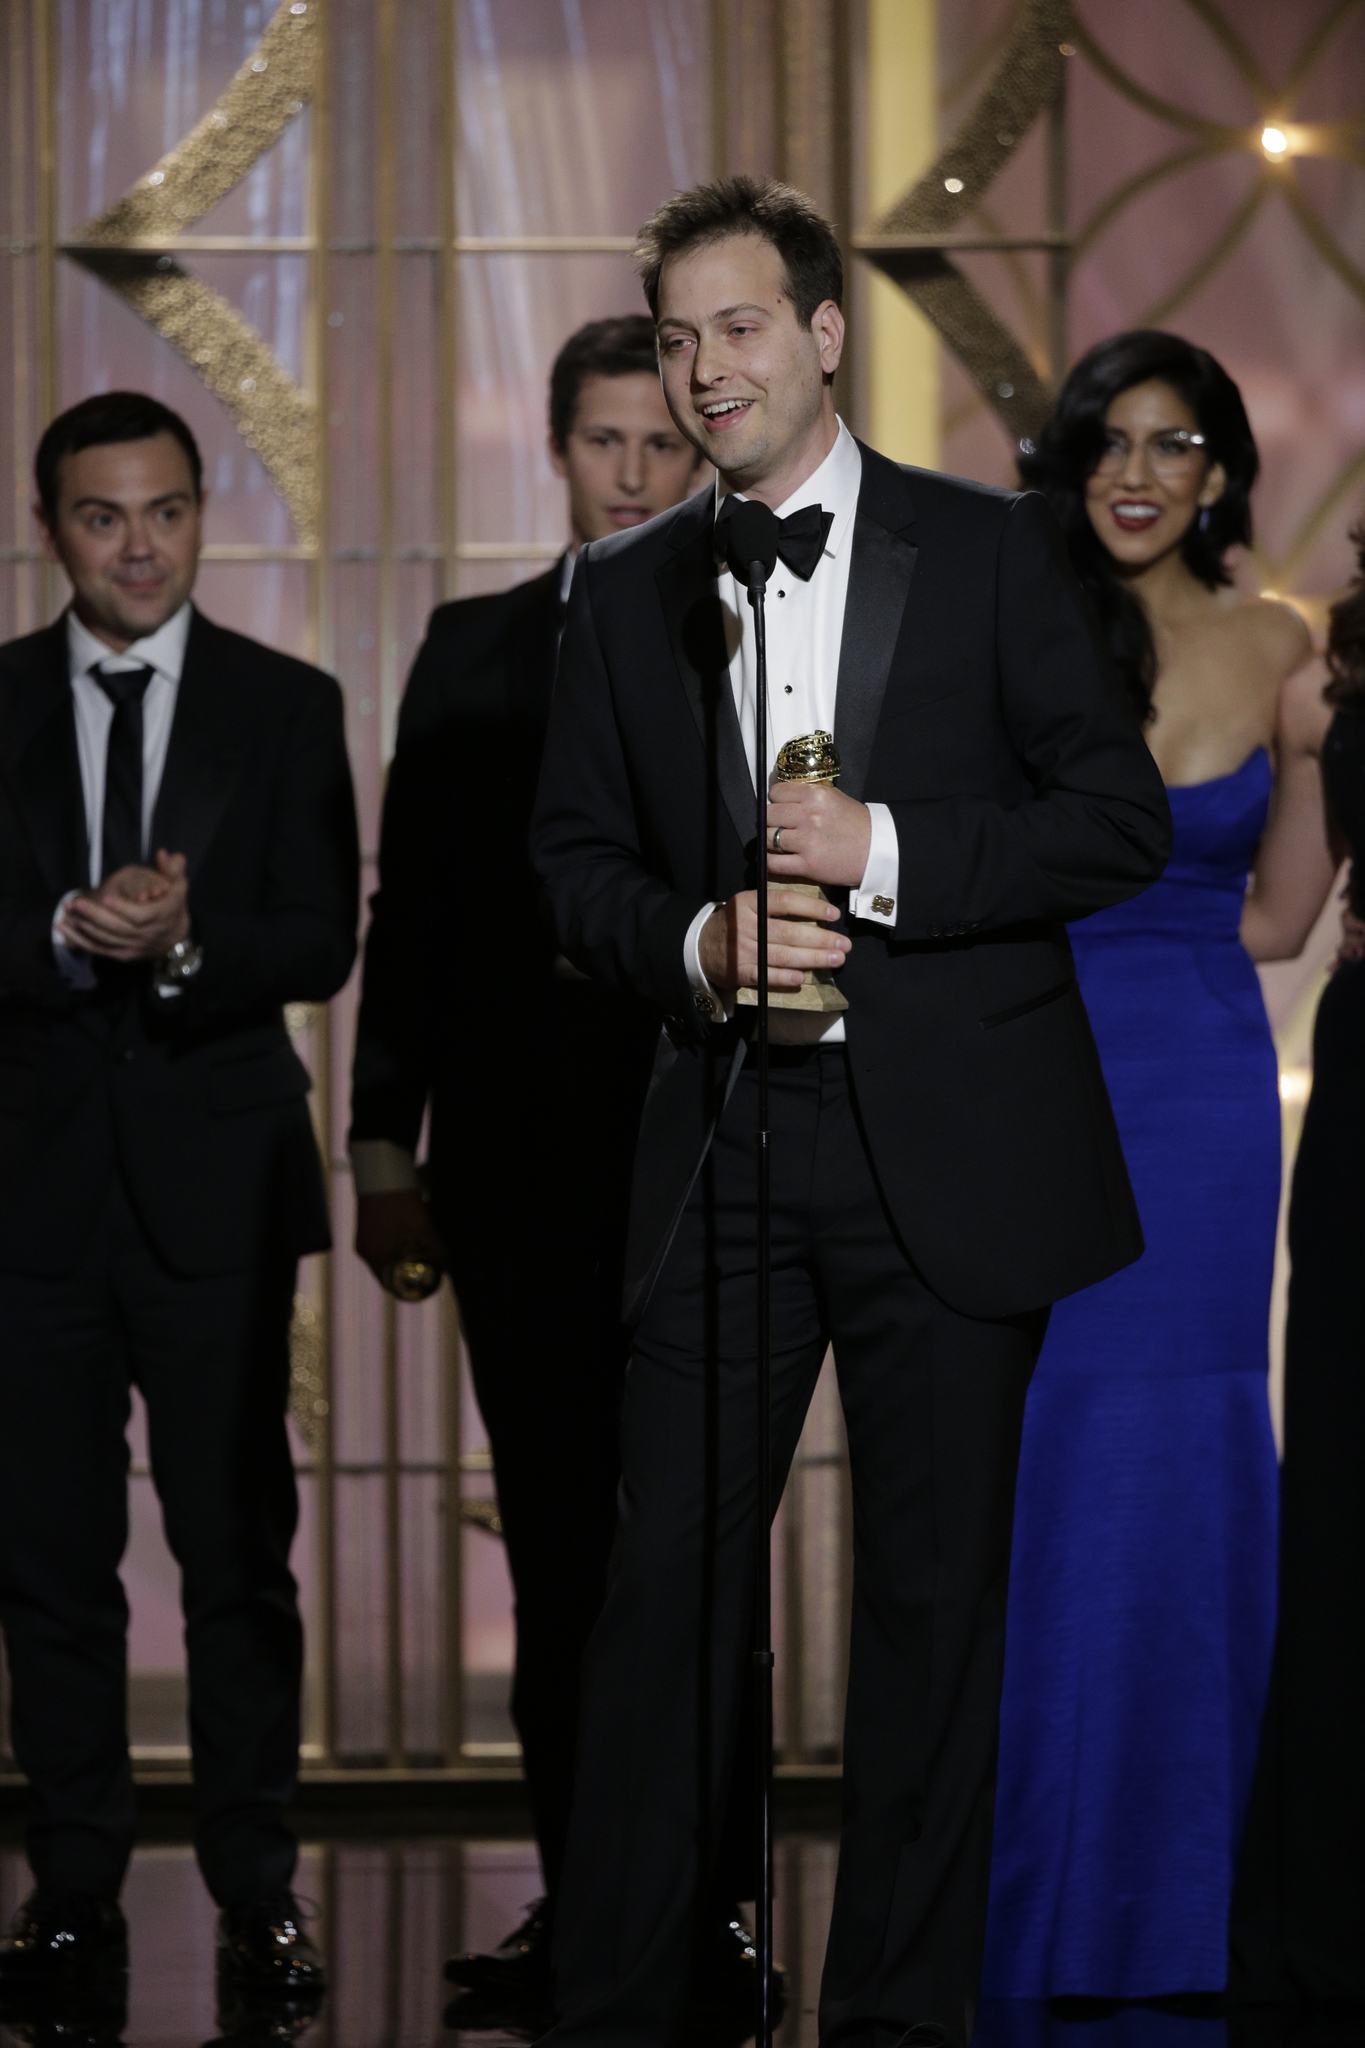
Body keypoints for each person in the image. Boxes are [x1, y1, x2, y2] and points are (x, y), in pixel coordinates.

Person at [529, 176, 1171, 2048]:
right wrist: (690, 936)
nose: (704, 368)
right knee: (660, 1608)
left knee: (930, 1618)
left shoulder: (994, 551)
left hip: (949, 1156)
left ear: (823, 334)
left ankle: (897, 2020)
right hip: (723, 1146)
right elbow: (567, 863)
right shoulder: (629, 592)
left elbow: (1114, 822)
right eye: (673, 335)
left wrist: (886, 852)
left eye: (737, 327)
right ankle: (624, 2003)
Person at [349, 316, 771, 2034]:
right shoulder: (470, 648)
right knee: (554, 1554)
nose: (637, 475)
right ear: (559, 450)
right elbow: (417, 917)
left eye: (665, 445)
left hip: (713, 1160)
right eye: (607, 443)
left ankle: (717, 1911)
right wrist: (383, 1144)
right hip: (517, 1175)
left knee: (701, 1556)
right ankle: (584, 1908)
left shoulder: (756, 641)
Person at [981, 332, 1337, 2005]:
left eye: (1173, 444)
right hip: (1034, 1064)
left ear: (1218, 474)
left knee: (1192, 1452)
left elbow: (1272, 920)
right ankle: (1043, 1905)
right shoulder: (1011, 614)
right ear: (1069, 458)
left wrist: (1322, 749)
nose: (1136, 472)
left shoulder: (1283, 644)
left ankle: (1202, 1914)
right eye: (1109, 440)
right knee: (1050, 1461)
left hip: (1197, 1092)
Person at [0, 393, 358, 2024]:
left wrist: (190, 949)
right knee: (50, 1560)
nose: (137, 545)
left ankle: (256, 1888)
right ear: (50, 529)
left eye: (164, 512)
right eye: (101, 517)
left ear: (205, 514)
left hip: (219, 1190)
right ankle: (72, 1886)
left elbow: (323, 937)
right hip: (32, 1198)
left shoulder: (290, 704)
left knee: (237, 1556)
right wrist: (71, 942)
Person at [1230, 525, 1365, 2008]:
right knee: (1341, 1492)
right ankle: (1325, 1925)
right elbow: (1274, 916)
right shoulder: (1330, 679)